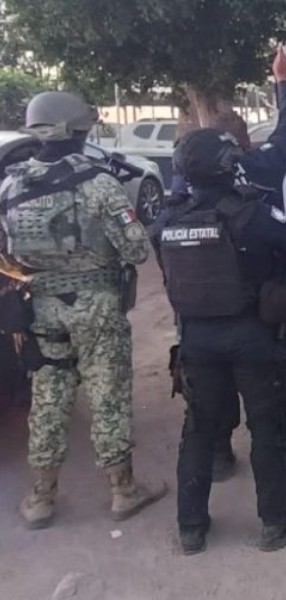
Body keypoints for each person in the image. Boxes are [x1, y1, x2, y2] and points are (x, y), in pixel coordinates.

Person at [0, 91, 166, 529]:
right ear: (78, 129)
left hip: (41, 308)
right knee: (108, 393)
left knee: (48, 396)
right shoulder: (98, 183)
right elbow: (136, 250)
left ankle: (41, 498)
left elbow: (6, 254)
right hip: (98, 306)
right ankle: (123, 490)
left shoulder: (12, 184)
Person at [151, 128, 286, 554]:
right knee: (265, 427)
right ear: (228, 165)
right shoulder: (252, 213)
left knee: (198, 429)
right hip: (251, 336)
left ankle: (191, 528)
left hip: (195, 339)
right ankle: (276, 523)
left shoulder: (168, 219)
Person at [168, 48, 286, 482]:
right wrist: (283, 82)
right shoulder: (262, 165)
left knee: (208, 384)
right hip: (264, 307)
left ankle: (217, 454)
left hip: (198, 309)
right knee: (280, 376)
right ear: (242, 145)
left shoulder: (184, 189)